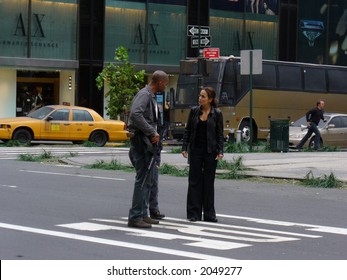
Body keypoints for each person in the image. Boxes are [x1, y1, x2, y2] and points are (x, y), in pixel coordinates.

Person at [127, 70, 169, 228]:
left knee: (148, 180)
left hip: (146, 142)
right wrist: (152, 132)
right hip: (141, 142)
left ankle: (143, 214)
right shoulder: (144, 95)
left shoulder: (149, 95)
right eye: (165, 83)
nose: (165, 86)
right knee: (143, 179)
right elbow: (135, 114)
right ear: (159, 82)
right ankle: (136, 216)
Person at [181, 87, 224, 223]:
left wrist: (220, 150)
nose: (200, 98)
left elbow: (219, 134)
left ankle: (209, 214)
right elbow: (188, 130)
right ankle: (193, 213)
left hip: (210, 152)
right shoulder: (194, 111)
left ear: (210, 99)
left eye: (203, 96)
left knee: (208, 183)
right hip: (195, 151)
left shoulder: (217, 113)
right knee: (194, 182)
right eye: (200, 96)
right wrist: (184, 147)